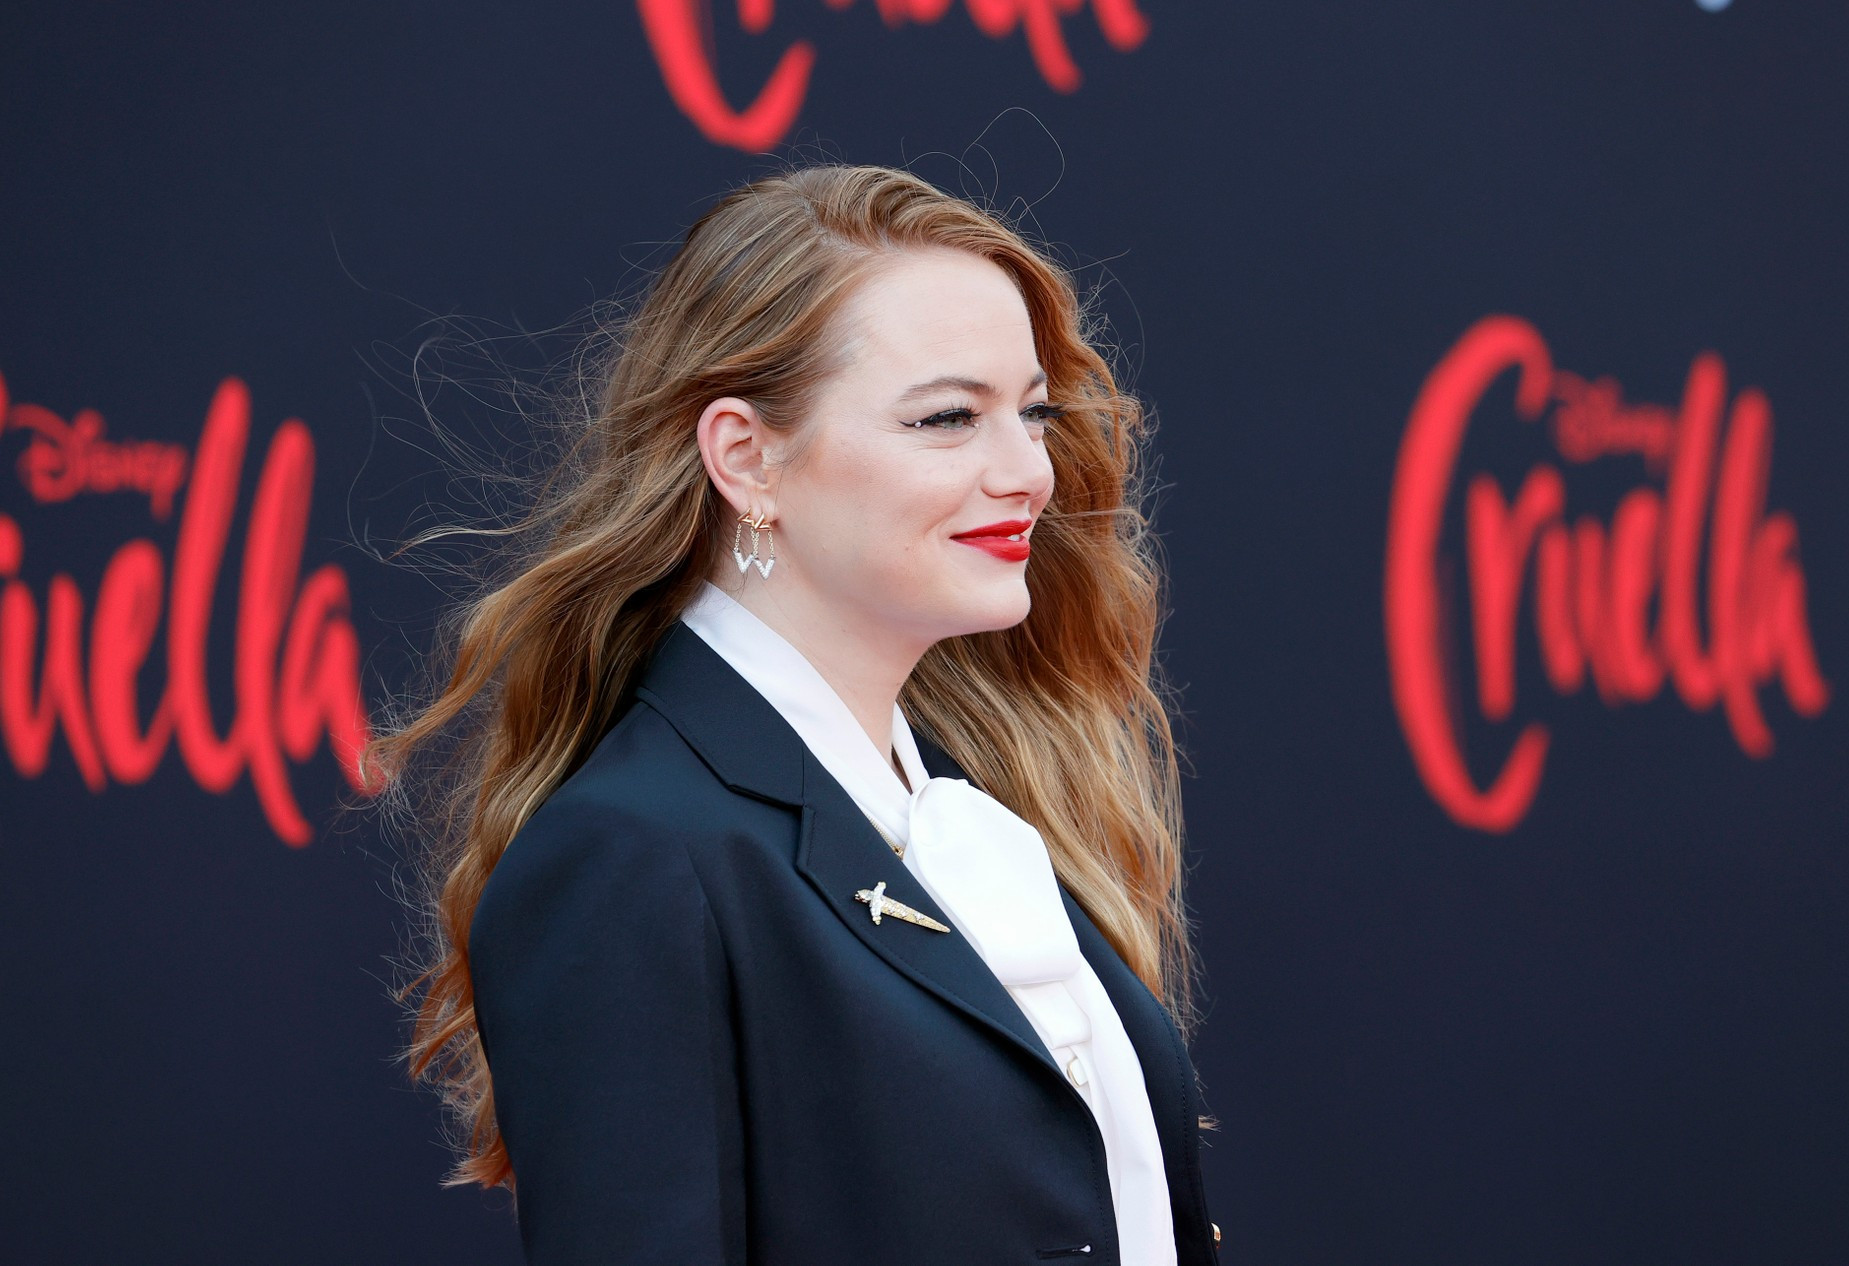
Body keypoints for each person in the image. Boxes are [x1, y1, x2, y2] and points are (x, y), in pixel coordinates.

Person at [377, 163, 1221, 1264]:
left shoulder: (965, 801)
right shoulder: (633, 853)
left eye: (1033, 413)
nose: (1028, 472)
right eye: (948, 417)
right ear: (745, 457)